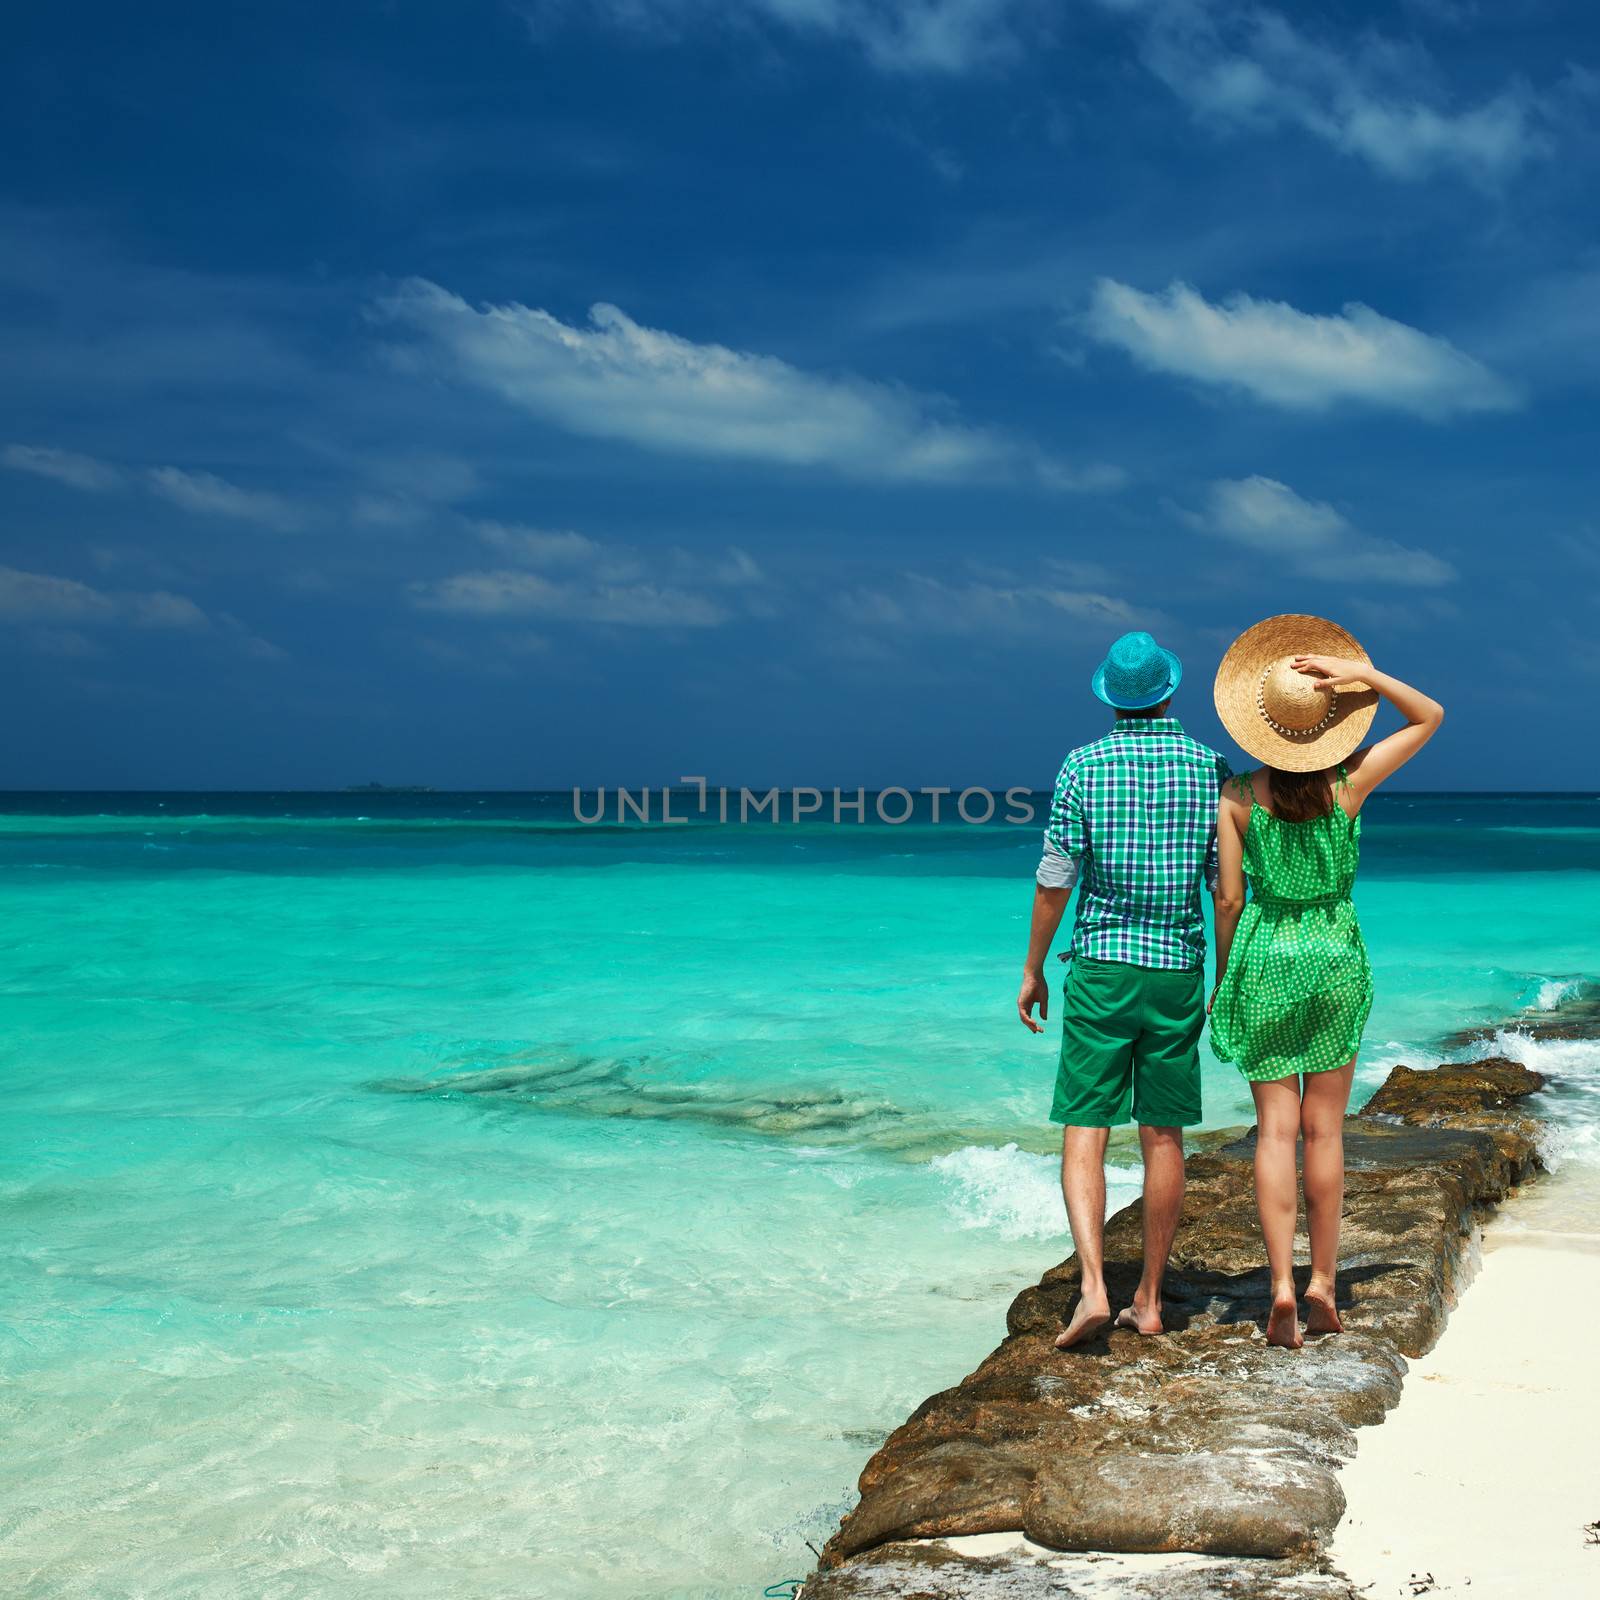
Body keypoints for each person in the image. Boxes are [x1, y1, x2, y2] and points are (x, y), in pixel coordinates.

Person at [1208, 614, 1443, 1350]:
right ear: (1331, 724)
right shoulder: (1350, 784)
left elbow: (1229, 899)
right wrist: (1365, 679)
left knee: (1276, 1132)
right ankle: (1322, 1284)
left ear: (1263, 725)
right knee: (1325, 1131)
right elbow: (1430, 715)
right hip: (1335, 956)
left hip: (1268, 954)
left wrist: (1224, 981)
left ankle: (1278, 1285)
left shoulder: (1239, 796)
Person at [1018, 630, 1230, 1349]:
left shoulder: (1082, 765)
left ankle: (1093, 1288)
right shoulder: (1210, 767)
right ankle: (1147, 1298)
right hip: (1177, 968)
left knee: (1086, 1126)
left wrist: (1033, 967)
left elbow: (1056, 877)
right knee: (1163, 1135)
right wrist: (1227, 973)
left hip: (1103, 966)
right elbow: (1223, 887)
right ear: (1170, 692)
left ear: (1111, 697)